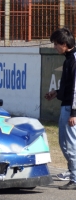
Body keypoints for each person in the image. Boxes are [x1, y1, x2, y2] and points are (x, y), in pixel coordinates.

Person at [45, 27, 76, 190]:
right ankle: (72, 172)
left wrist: (74, 113)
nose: (54, 47)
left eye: (56, 44)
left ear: (64, 44)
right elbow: (69, 86)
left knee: (71, 145)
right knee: (64, 144)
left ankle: (75, 178)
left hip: (71, 110)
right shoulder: (68, 60)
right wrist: (56, 93)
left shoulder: (74, 60)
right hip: (66, 106)